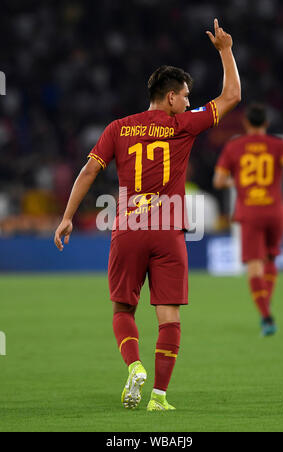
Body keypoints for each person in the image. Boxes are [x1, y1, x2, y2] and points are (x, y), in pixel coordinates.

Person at [54, 19, 241, 411]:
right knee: (168, 315)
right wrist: (225, 49)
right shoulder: (183, 125)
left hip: (129, 227)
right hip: (169, 229)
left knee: (123, 309)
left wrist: (68, 216)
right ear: (170, 97)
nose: (189, 102)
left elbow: (89, 170)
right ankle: (159, 397)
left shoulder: (118, 128)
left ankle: (134, 365)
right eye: (186, 96)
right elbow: (232, 96)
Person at [214, 103, 283, 336]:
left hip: (250, 211)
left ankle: (266, 316)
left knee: (254, 265)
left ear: (245, 123)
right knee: (271, 258)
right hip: (275, 211)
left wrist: (237, 182)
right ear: (267, 124)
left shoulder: (234, 146)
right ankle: (266, 304)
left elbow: (219, 181)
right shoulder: (279, 145)